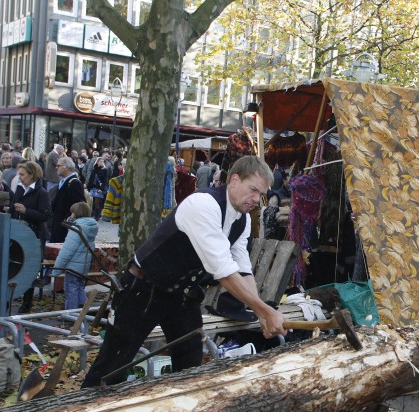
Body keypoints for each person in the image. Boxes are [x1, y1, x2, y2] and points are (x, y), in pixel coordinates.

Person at [81, 156, 288, 388]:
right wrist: (265, 311)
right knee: (112, 366)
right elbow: (224, 273)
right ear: (234, 180)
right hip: (142, 290)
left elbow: (242, 269)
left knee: (190, 365)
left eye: (261, 194)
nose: (257, 199)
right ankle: (81, 409)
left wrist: (261, 313)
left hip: (181, 295)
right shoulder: (203, 204)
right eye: (253, 190)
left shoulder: (243, 220)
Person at [8, 162, 51, 313]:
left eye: (22, 174)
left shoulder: (42, 193)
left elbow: (46, 215)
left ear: (32, 175)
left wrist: (26, 211)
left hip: (34, 235)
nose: (19, 177)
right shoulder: (20, 189)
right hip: (18, 234)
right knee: (13, 265)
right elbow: (13, 208)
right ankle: (10, 298)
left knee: (30, 269)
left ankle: (27, 303)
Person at [51, 202, 98, 310]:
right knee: (79, 288)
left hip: (73, 266)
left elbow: (67, 251)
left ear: (76, 214)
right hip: (83, 265)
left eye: (72, 212)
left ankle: (70, 314)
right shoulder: (89, 226)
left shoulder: (76, 229)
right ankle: (83, 312)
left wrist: (56, 270)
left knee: (71, 290)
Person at [49, 157, 87, 243]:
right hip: (58, 223)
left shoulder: (74, 183)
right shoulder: (63, 182)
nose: (56, 167)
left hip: (66, 227)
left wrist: (70, 218)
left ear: (66, 167)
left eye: (58, 165)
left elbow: (80, 204)